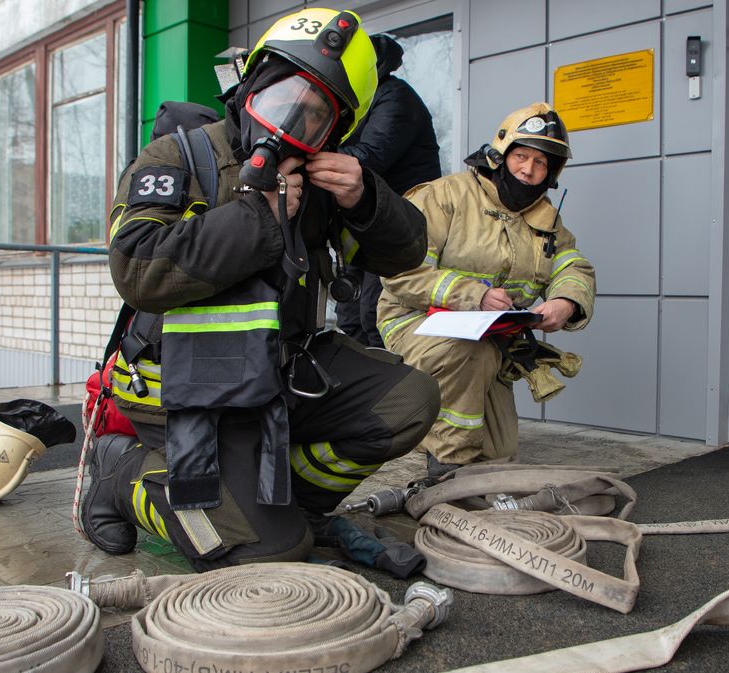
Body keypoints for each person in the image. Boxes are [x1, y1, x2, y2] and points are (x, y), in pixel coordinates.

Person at [80, 7, 440, 570]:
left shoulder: (318, 183)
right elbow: (137, 269)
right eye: (281, 98)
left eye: (314, 116)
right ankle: (121, 474)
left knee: (408, 401)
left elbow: (404, 255)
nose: (289, 123)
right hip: (181, 389)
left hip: (277, 378)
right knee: (266, 555)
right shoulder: (178, 156)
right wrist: (259, 217)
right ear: (252, 84)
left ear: (335, 132)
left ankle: (296, 505)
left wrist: (366, 196)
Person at [377, 102, 596, 477]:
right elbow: (399, 270)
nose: (529, 170)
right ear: (499, 155)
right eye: (521, 157)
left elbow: (572, 265)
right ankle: (445, 470)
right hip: (413, 323)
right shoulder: (445, 196)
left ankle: (468, 467)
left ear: (552, 172)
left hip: (492, 338)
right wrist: (473, 296)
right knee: (470, 360)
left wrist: (566, 301)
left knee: (498, 459)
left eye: (541, 163)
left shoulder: (546, 219)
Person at [334, 33, 441, 347]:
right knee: (350, 317)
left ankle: (395, 391)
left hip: (398, 224)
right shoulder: (356, 104)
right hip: (362, 223)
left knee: (374, 315)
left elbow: (372, 156)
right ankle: (363, 387)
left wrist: (316, 159)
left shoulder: (395, 97)